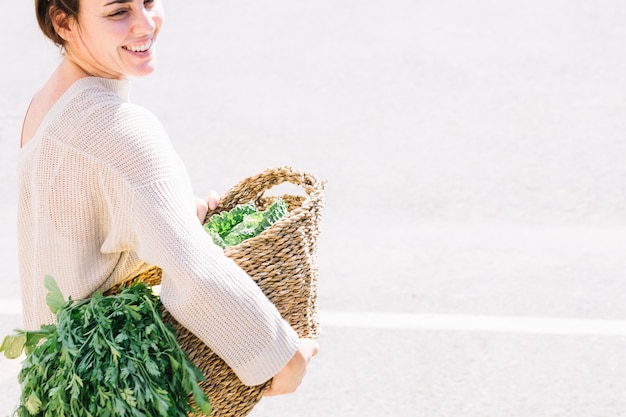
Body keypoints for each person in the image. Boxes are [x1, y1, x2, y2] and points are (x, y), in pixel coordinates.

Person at [19, 0, 318, 396]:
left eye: (148, 1)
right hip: (118, 387)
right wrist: (281, 357)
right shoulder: (121, 128)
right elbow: (194, 269)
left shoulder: (47, 105)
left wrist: (167, 215)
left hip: (60, 385)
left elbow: (76, 230)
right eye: (117, 12)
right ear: (64, 22)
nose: (145, 24)